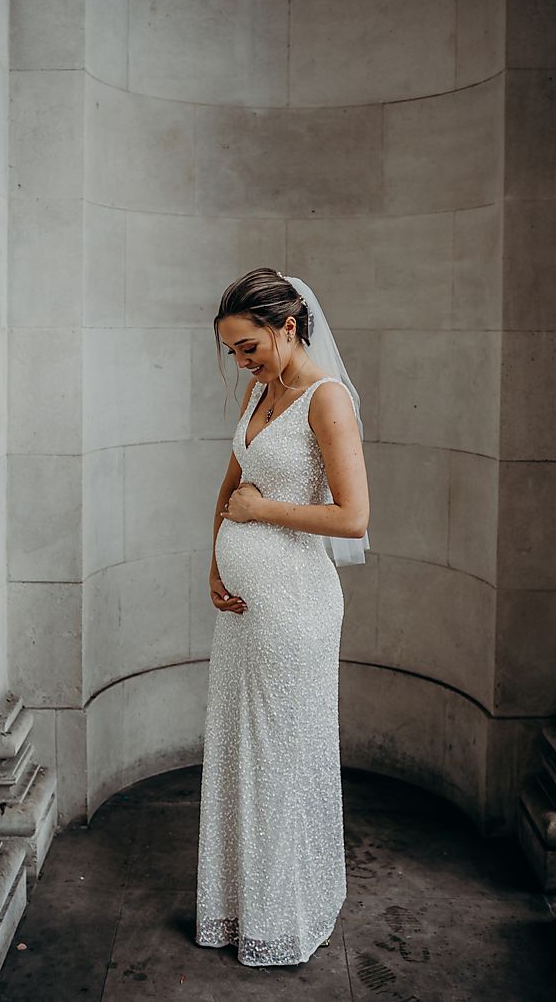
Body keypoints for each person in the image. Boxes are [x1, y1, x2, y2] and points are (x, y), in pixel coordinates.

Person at [195, 267, 370, 967]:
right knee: (242, 752)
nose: (241, 361)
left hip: (295, 607)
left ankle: (285, 916)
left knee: (281, 759)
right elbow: (233, 477)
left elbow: (353, 516)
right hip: (245, 608)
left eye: (248, 346)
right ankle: (240, 908)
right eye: (233, 350)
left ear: (287, 327)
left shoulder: (327, 402)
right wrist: (214, 561)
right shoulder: (259, 388)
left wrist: (261, 513)